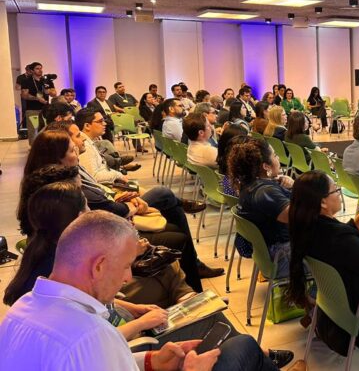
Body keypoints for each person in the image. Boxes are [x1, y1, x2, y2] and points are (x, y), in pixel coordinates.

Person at [0, 210, 281, 371]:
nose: (127, 278)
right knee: (245, 346)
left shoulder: (22, 309)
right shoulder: (90, 336)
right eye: (125, 266)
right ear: (99, 266)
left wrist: (151, 361)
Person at [29, 126, 221, 291]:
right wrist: (129, 212)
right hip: (111, 227)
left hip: (112, 214)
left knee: (174, 220)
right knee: (170, 213)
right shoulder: (65, 190)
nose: (81, 142)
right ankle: (193, 282)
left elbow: (98, 202)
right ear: (58, 156)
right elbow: (97, 218)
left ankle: (192, 285)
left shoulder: (68, 177)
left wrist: (118, 197)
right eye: (74, 144)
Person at [286, 171, 359, 370]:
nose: (339, 193)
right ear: (323, 202)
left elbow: (346, 237)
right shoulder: (337, 239)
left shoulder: (308, 228)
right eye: (336, 190)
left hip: (338, 304)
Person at [228, 138, 294, 276]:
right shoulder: (265, 192)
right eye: (275, 155)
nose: (278, 158)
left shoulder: (247, 185)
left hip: (268, 254)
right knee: (335, 253)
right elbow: (299, 217)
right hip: (283, 257)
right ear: (266, 166)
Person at [75, 107, 128, 184]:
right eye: (100, 121)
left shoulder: (89, 142)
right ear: (87, 126)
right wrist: (118, 175)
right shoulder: (85, 146)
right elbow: (93, 177)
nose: (104, 123)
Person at [19, 61, 54, 145]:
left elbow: (54, 93)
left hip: (46, 109)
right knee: (33, 130)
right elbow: (24, 95)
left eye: (41, 68)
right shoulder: (26, 81)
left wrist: (49, 91)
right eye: (37, 68)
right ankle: (33, 148)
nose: (40, 70)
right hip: (32, 110)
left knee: (47, 129)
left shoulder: (47, 81)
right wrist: (37, 98)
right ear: (32, 70)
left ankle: (46, 146)